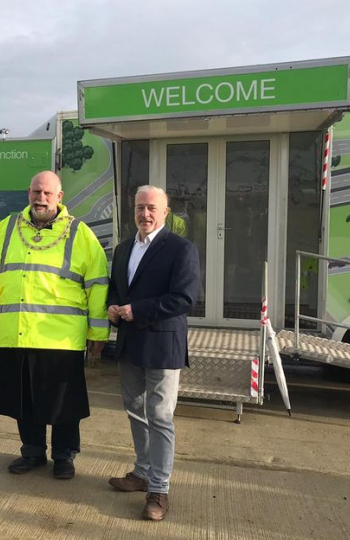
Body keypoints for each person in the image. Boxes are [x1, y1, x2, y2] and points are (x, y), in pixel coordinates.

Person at [0, 170, 109, 480]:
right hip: (15, 334)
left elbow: (98, 284)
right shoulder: (6, 229)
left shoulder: (80, 234)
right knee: (24, 401)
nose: (42, 198)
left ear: (60, 197)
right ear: (28, 193)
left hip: (60, 338)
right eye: (37, 192)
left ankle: (64, 456)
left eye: (48, 193)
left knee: (64, 404)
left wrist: (98, 333)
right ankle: (32, 451)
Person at [107, 185, 200, 521]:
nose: (144, 214)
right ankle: (142, 471)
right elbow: (116, 288)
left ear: (165, 212)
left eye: (151, 208)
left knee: (160, 416)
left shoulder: (180, 249)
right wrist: (113, 308)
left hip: (163, 345)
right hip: (131, 343)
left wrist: (136, 310)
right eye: (139, 207)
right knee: (135, 409)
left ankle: (158, 490)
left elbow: (185, 298)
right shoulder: (122, 249)